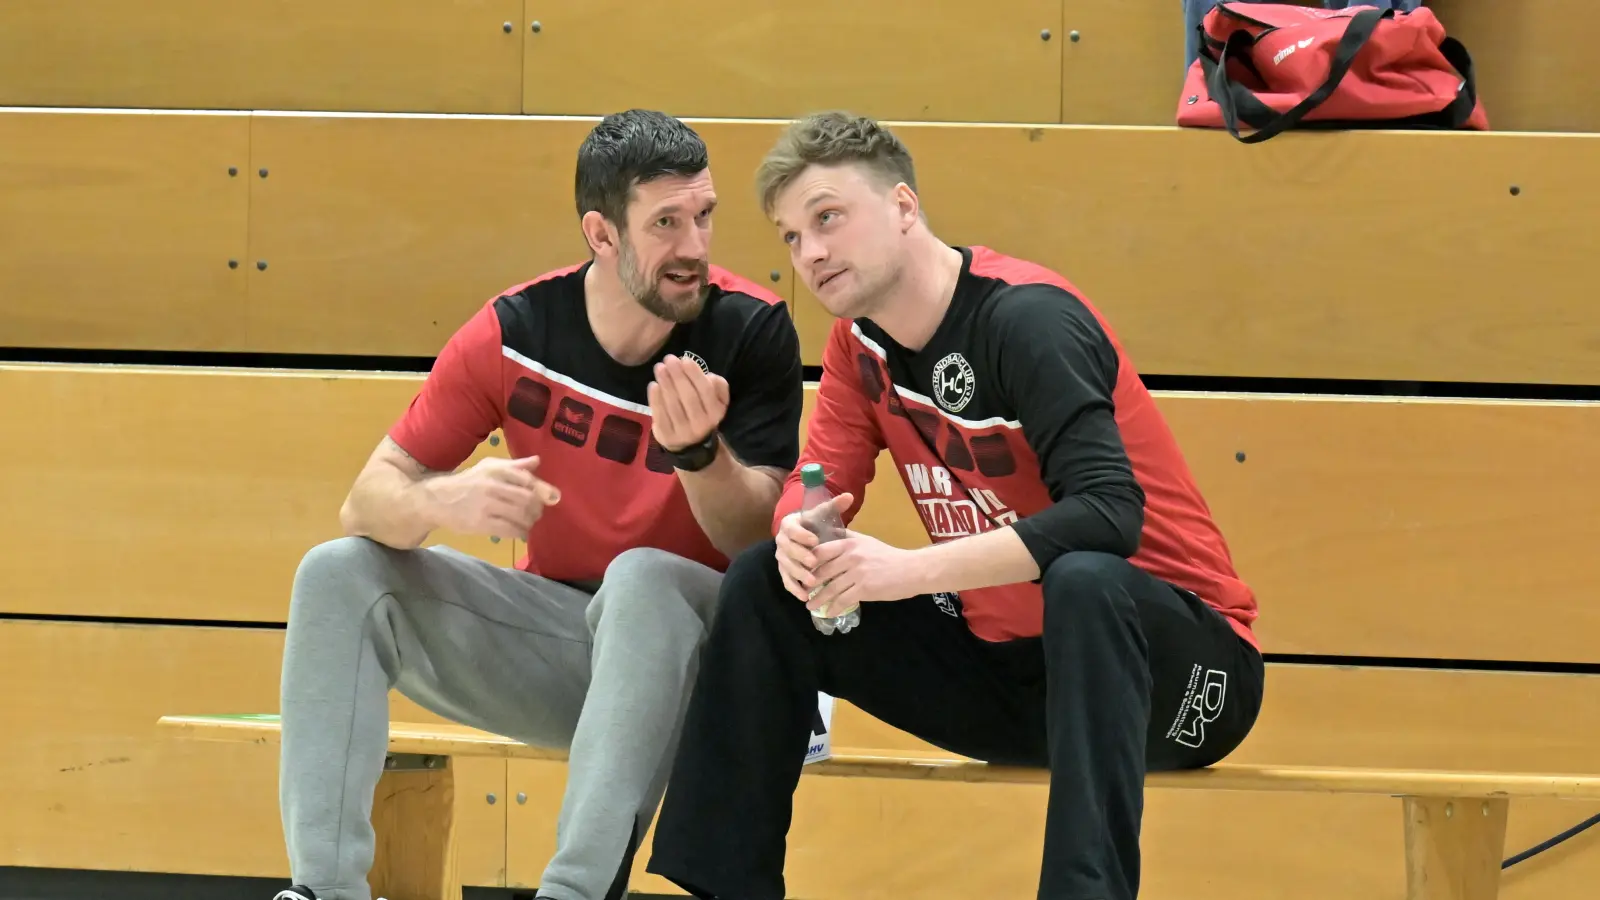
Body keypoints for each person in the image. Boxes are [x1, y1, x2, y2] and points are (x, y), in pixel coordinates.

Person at [644, 110, 1265, 900]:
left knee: (1085, 578)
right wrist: (802, 538)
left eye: (828, 217)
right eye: (791, 237)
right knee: (767, 581)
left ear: (903, 207)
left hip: (1182, 681)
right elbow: (815, 487)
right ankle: (722, 887)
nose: (812, 252)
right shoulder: (855, 344)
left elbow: (1110, 513)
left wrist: (904, 571)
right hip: (1012, 685)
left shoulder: (1028, 318)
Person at [273, 109, 804, 900]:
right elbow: (366, 502)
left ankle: (575, 893)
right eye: (665, 223)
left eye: (704, 215)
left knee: (644, 578)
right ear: (601, 234)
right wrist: (445, 498)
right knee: (338, 571)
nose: (694, 246)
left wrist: (698, 454)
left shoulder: (750, 332)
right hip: (573, 652)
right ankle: (323, 889)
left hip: (710, 661)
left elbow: (758, 545)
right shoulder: (514, 333)